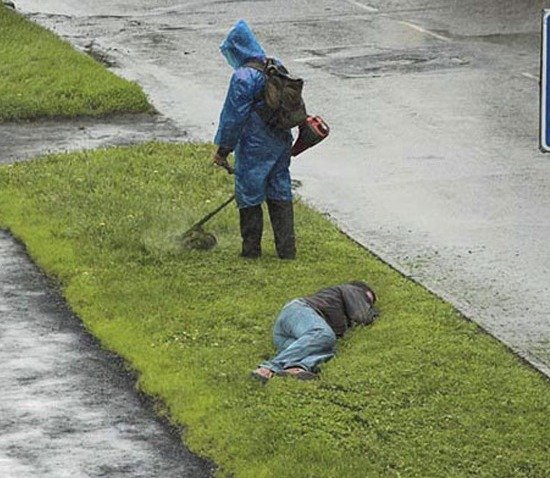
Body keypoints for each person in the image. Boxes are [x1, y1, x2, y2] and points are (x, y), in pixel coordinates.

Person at [213, 20, 296, 260]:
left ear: (237, 48)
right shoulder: (275, 65)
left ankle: (251, 251)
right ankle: (287, 251)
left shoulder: (242, 77)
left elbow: (233, 117)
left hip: (254, 145)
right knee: (280, 188)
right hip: (280, 140)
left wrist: (223, 150)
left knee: (249, 192)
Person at [251, 281, 379, 382]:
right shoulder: (351, 290)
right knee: (324, 334)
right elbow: (361, 316)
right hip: (299, 312)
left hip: (292, 334)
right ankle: (269, 367)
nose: (368, 304)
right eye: (368, 300)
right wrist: (374, 313)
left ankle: (296, 368)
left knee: (327, 350)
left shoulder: (341, 302)